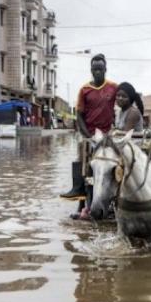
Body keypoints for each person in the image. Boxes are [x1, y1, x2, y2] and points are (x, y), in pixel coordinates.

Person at [60, 54, 118, 218]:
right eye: (95, 69)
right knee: (83, 160)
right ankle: (80, 198)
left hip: (107, 135)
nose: (97, 72)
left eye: (100, 69)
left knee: (110, 166)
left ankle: (111, 200)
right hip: (89, 134)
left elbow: (124, 100)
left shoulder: (113, 87)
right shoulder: (85, 90)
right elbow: (79, 115)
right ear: (91, 70)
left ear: (105, 69)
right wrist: (87, 135)